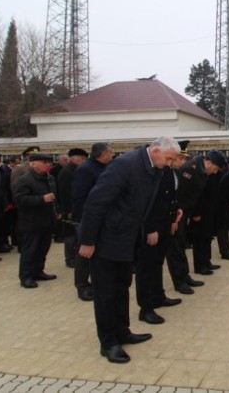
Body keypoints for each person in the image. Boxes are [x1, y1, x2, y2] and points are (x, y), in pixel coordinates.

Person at [78, 136, 179, 364]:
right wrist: (87, 241)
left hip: (128, 239)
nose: (170, 163)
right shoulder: (125, 165)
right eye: (169, 158)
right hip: (107, 239)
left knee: (122, 287)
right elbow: (96, 202)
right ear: (154, 151)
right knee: (106, 293)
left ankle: (122, 331)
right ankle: (108, 343)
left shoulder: (155, 168)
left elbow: (147, 206)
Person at [136, 141, 189, 324]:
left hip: (166, 224)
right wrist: (150, 229)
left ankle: (159, 296)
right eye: (174, 157)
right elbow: (149, 203)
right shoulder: (156, 171)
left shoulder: (170, 171)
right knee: (147, 267)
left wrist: (176, 214)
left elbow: (172, 197)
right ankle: (146, 308)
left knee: (157, 263)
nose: (176, 160)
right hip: (153, 227)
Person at [176, 149, 229, 279]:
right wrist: (194, 213)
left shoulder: (203, 171)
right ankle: (195, 270)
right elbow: (183, 194)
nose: (216, 171)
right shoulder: (190, 169)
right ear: (209, 163)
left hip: (199, 210)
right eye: (216, 168)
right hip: (186, 212)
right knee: (189, 242)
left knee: (205, 237)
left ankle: (204, 264)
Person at [71, 142, 113, 302]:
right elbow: (80, 196)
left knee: (98, 251)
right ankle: (82, 285)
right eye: (110, 152)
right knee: (84, 252)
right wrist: (84, 218)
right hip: (88, 218)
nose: (112, 155)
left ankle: (96, 282)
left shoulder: (104, 167)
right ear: (102, 154)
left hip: (102, 217)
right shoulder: (86, 169)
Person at [13, 153, 59, 289]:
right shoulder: (24, 180)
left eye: (49, 162)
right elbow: (19, 200)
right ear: (33, 164)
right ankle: (26, 276)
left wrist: (57, 211)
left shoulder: (49, 178)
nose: (48, 164)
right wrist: (41, 199)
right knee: (30, 249)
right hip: (31, 221)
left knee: (43, 248)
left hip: (47, 219)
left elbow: (56, 197)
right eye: (44, 162)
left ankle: (38, 271)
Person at [57, 148, 88, 268]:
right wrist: (68, 210)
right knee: (70, 235)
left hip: (76, 207)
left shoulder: (77, 170)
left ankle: (76, 256)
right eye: (82, 159)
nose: (84, 161)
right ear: (73, 159)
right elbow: (65, 193)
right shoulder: (66, 172)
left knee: (76, 234)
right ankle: (70, 258)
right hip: (69, 209)